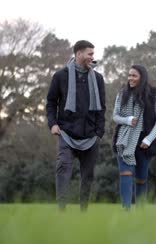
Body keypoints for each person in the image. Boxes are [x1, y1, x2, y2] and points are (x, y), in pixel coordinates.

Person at [46, 40, 106, 211]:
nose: (92, 58)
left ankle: (83, 212)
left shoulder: (98, 78)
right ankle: (61, 210)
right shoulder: (60, 76)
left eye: (93, 54)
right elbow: (51, 102)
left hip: (91, 135)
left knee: (88, 176)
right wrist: (53, 124)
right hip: (66, 133)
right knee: (63, 169)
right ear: (78, 54)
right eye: (90, 54)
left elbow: (102, 108)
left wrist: (98, 133)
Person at [113, 65, 156, 210]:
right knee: (125, 173)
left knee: (141, 178)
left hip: (144, 141)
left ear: (142, 77)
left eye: (134, 76)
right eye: (129, 75)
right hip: (124, 139)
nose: (130, 78)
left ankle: (141, 211)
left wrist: (149, 139)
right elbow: (115, 116)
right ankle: (126, 210)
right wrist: (127, 120)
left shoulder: (154, 95)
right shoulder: (122, 93)